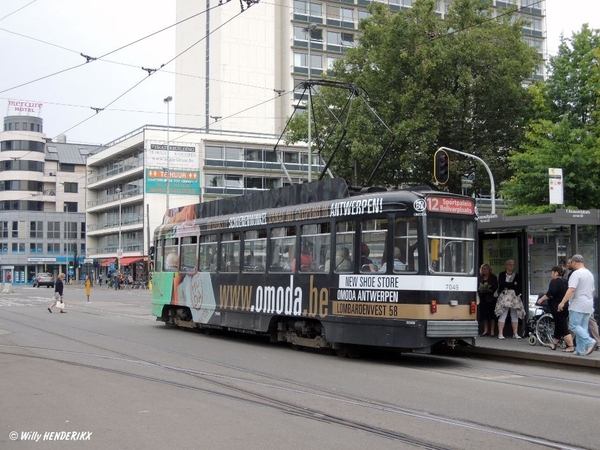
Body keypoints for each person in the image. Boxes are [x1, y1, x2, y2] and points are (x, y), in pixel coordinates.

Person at [558, 254, 597, 356]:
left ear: (574, 262)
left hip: (577, 304)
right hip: (588, 304)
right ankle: (580, 350)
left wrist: (562, 302)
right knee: (582, 327)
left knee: (574, 325)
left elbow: (571, 289)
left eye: (571, 262)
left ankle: (590, 342)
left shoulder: (576, 274)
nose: (570, 264)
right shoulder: (589, 274)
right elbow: (592, 291)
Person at [536, 265, 574, 351]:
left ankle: (571, 346)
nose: (551, 274)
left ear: (556, 273)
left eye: (552, 272)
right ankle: (554, 343)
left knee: (562, 326)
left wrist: (541, 300)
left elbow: (550, 293)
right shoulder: (565, 281)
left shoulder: (554, 282)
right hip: (565, 306)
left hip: (557, 307)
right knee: (558, 325)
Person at [494, 259, 525, 339]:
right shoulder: (501, 274)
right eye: (510, 265)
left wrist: (508, 285)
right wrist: (512, 284)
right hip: (504, 298)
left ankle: (515, 333)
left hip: (514, 298)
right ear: (506, 265)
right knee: (503, 314)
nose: (512, 266)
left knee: (514, 315)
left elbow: (518, 286)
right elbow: (502, 283)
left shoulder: (517, 275)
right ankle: (500, 334)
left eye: (513, 265)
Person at [478, 263, 498, 337]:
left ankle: (492, 331)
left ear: (489, 269)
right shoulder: (480, 277)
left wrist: (489, 290)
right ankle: (485, 330)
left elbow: (495, 286)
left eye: (486, 269)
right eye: (483, 269)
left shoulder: (493, 277)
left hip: (491, 298)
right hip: (482, 298)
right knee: (484, 315)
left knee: (492, 315)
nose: (485, 270)